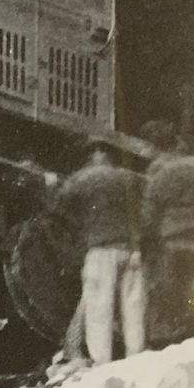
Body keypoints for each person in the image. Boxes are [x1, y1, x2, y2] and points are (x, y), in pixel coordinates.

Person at [51, 143, 145, 365]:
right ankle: (138, 360)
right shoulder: (129, 177)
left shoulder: (82, 178)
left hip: (101, 252)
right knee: (133, 309)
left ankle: (101, 363)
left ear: (91, 156)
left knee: (99, 310)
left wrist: (51, 184)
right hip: (131, 251)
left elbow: (57, 207)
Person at [140, 123, 194, 348]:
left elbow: (150, 208)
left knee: (167, 285)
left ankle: (166, 333)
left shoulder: (157, 170)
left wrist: (146, 234)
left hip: (169, 234)